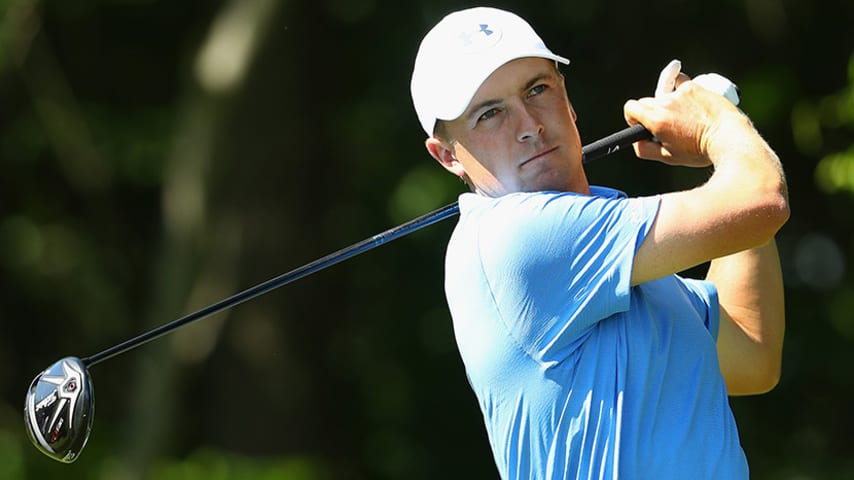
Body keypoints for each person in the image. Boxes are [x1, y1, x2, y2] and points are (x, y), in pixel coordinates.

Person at [409, 7, 788, 479]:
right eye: (490, 114)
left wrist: (723, 158)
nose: (529, 124)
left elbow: (749, 357)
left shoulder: (619, 259)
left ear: (567, 100)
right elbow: (762, 202)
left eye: (537, 89)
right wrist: (716, 125)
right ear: (446, 155)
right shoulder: (514, 238)